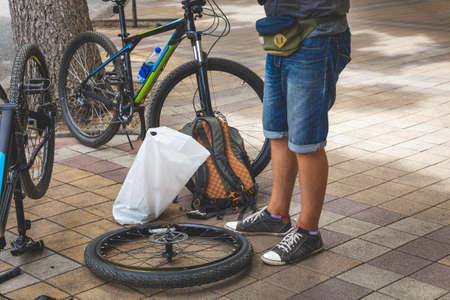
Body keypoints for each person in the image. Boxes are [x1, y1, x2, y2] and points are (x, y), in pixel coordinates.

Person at [225, 0, 351, 265]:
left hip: (317, 34)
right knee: (277, 131)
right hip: (280, 32)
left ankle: (309, 232)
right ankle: (276, 214)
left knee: (306, 140)